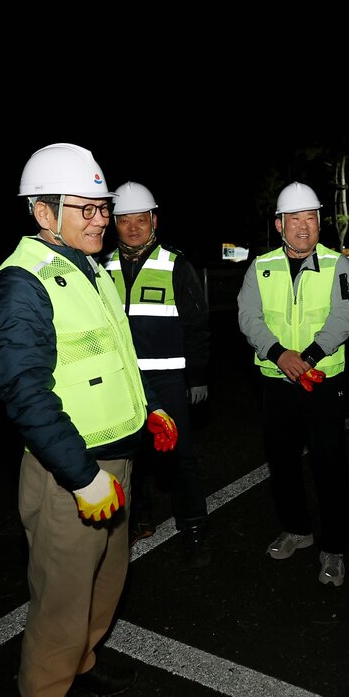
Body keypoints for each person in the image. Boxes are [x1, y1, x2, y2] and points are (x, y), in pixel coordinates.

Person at [0, 142, 179, 697]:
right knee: (61, 604)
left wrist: (144, 410)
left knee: (104, 583)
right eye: (87, 208)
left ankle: (83, 662)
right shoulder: (22, 284)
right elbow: (26, 395)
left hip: (113, 460)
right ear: (43, 212)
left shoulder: (90, 266)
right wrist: (83, 475)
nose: (102, 218)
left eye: (103, 207)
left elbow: (108, 357)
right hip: (73, 475)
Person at [236, 181, 349, 587]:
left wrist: (305, 358)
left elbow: (345, 317)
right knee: (282, 462)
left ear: (319, 224)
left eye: (310, 219)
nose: (303, 227)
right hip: (275, 381)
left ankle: (334, 548)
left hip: (322, 382)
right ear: (279, 225)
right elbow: (248, 316)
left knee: (329, 464)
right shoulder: (261, 266)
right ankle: (297, 530)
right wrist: (279, 356)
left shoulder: (337, 264)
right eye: (295, 220)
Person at [105, 180, 212, 566]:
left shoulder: (175, 264)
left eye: (140, 219)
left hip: (168, 382)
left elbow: (197, 326)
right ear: (113, 224)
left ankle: (194, 527)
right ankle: (139, 520)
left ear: (154, 220)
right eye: (124, 220)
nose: (133, 228)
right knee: (129, 458)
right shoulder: (102, 268)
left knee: (181, 457)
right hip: (121, 383)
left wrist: (196, 377)